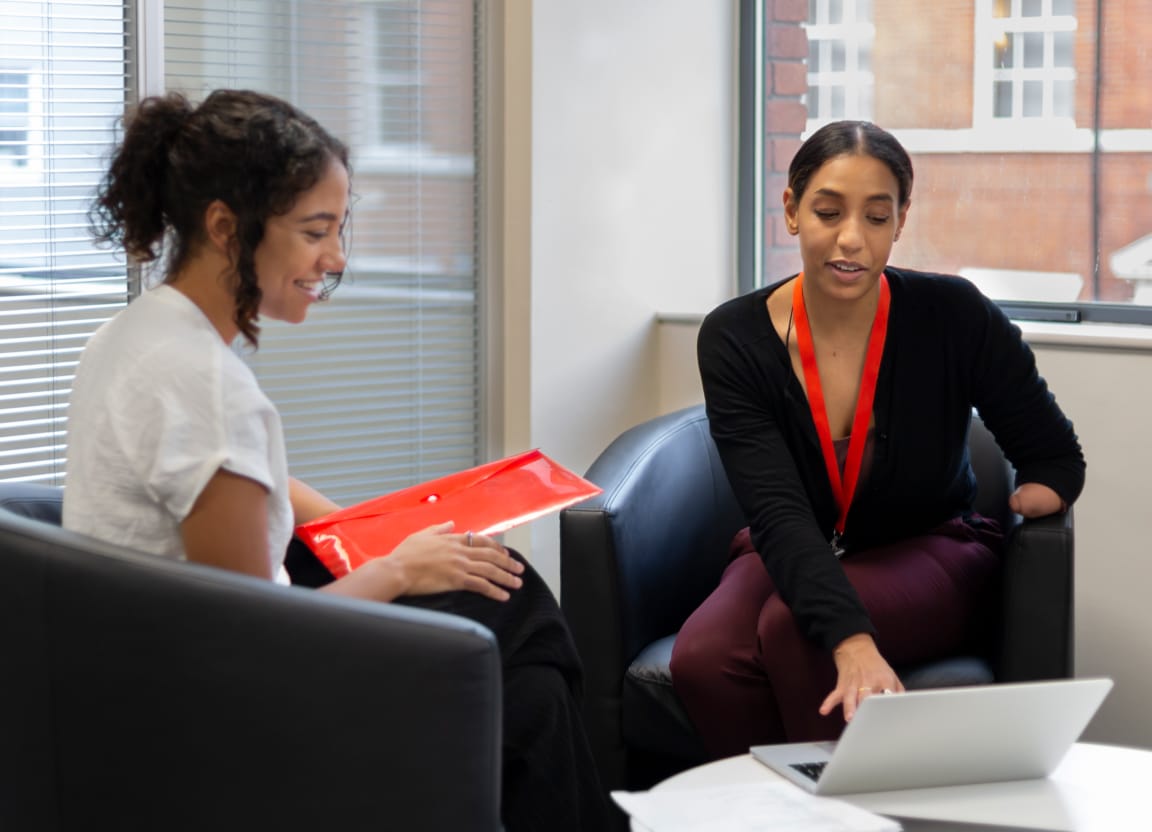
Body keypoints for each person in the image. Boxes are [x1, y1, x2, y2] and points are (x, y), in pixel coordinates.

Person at [64, 88, 610, 831]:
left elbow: (213, 483)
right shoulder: (209, 387)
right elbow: (253, 642)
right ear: (227, 228)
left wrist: (364, 525)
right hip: (214, 706)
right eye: (315, 231)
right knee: (516, 620)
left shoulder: (132, 336)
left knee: (503, 611)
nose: (337, 258)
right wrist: (398, 567)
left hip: (133, 669)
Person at [669, 120, 1086, 759]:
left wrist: (1042, 495)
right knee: (701, 658)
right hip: (796, 545)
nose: (850, 240)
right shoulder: (734, 338)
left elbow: (1054, 452)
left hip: (930, 548)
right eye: (828, 211)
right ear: (791, 209)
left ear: (900, 220)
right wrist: (854, 637)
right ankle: (775, 814)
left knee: (793, 628)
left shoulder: (953, 313)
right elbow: (776, 508)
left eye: (875, 216)